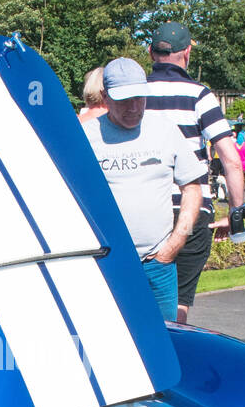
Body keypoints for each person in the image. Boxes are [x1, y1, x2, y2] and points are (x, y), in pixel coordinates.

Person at [82, 57, 205, 320]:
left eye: (140, 98)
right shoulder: (86, 136)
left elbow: (193, 188)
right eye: (124, 99)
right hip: (107, 265)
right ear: (105, 96)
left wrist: (175, 243)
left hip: (157, 264)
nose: (134, 107)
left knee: (165, 344)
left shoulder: (164, 129)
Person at [144, 21, 244, 323]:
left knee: (141, 303)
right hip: (191, 207)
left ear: (151, 52)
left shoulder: (137, 95)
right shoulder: (200, 95)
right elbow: (231, 159)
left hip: (146, 210)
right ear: (186, 53)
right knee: (179, 303)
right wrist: (236, 213)